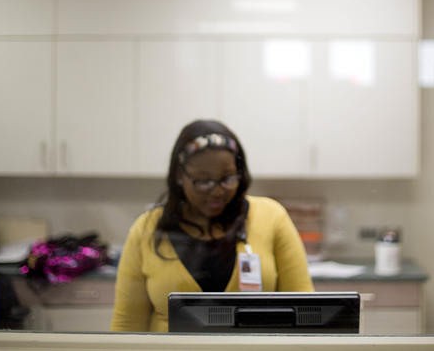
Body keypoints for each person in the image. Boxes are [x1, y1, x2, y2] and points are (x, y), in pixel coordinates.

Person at [110, 120, 314, 332]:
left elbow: (305, 313)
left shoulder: (271, 217)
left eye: (227, 178)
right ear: (180, 176)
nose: (216, 191)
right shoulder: (147, 228)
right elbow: (127, 324)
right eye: (203, 181)